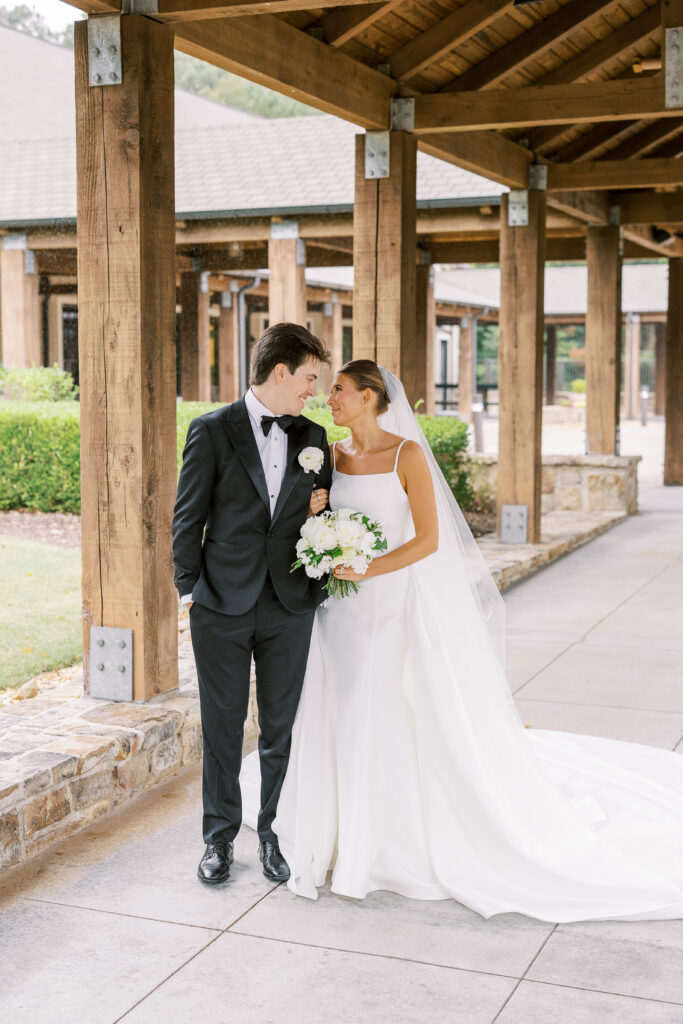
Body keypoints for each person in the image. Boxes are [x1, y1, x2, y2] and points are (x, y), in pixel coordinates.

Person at [240, 359, 683, 923]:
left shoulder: (407, 455)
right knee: (334, 706)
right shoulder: (329, 454)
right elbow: (312, 516)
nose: (331, 399)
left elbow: (427, 540)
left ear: (372, 397)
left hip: (386, 606)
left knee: (379, 709)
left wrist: (366, 568)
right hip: (335, 613)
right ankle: (330, 827)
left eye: (341, 391)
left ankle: (379, 839)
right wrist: (317, 521)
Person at [172, 323, 332, 886]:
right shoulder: (212, 431)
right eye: (310, 378)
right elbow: (187, 517)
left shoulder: (314, 438)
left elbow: (323, 519)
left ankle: (272, 832)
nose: (314, 390)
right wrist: (188, 590)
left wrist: (320, 522)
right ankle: (218, 837)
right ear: (281, 371)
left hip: (289, 605)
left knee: (280, 726)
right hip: (220, 604)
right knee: (222, 724)